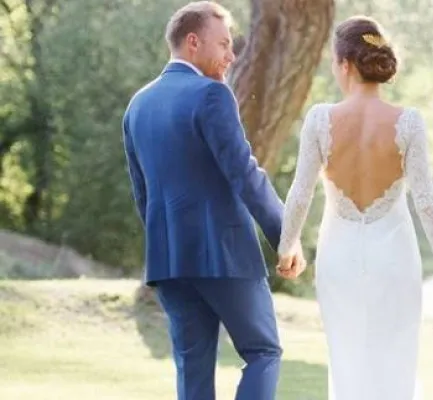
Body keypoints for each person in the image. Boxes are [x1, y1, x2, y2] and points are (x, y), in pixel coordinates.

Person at [122, 2, 304, 399]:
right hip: (223, 252)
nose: (231, 56)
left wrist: (167, 242)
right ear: (192, 42)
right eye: (223, 44)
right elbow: (245, 174)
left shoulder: (137, 106)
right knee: (263, 351)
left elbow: (143, 194)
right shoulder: (211, 94)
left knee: (193, 369)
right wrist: (285, 236)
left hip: (169, 260)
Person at [276, 15, 433, 400]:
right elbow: (425, 199)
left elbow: (301, 192)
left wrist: (287, 245)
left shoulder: (320, 119)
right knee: (396, 361)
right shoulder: (408, 122)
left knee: (346, 361)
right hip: (394, 258)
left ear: (345, 64)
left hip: (339, 260)